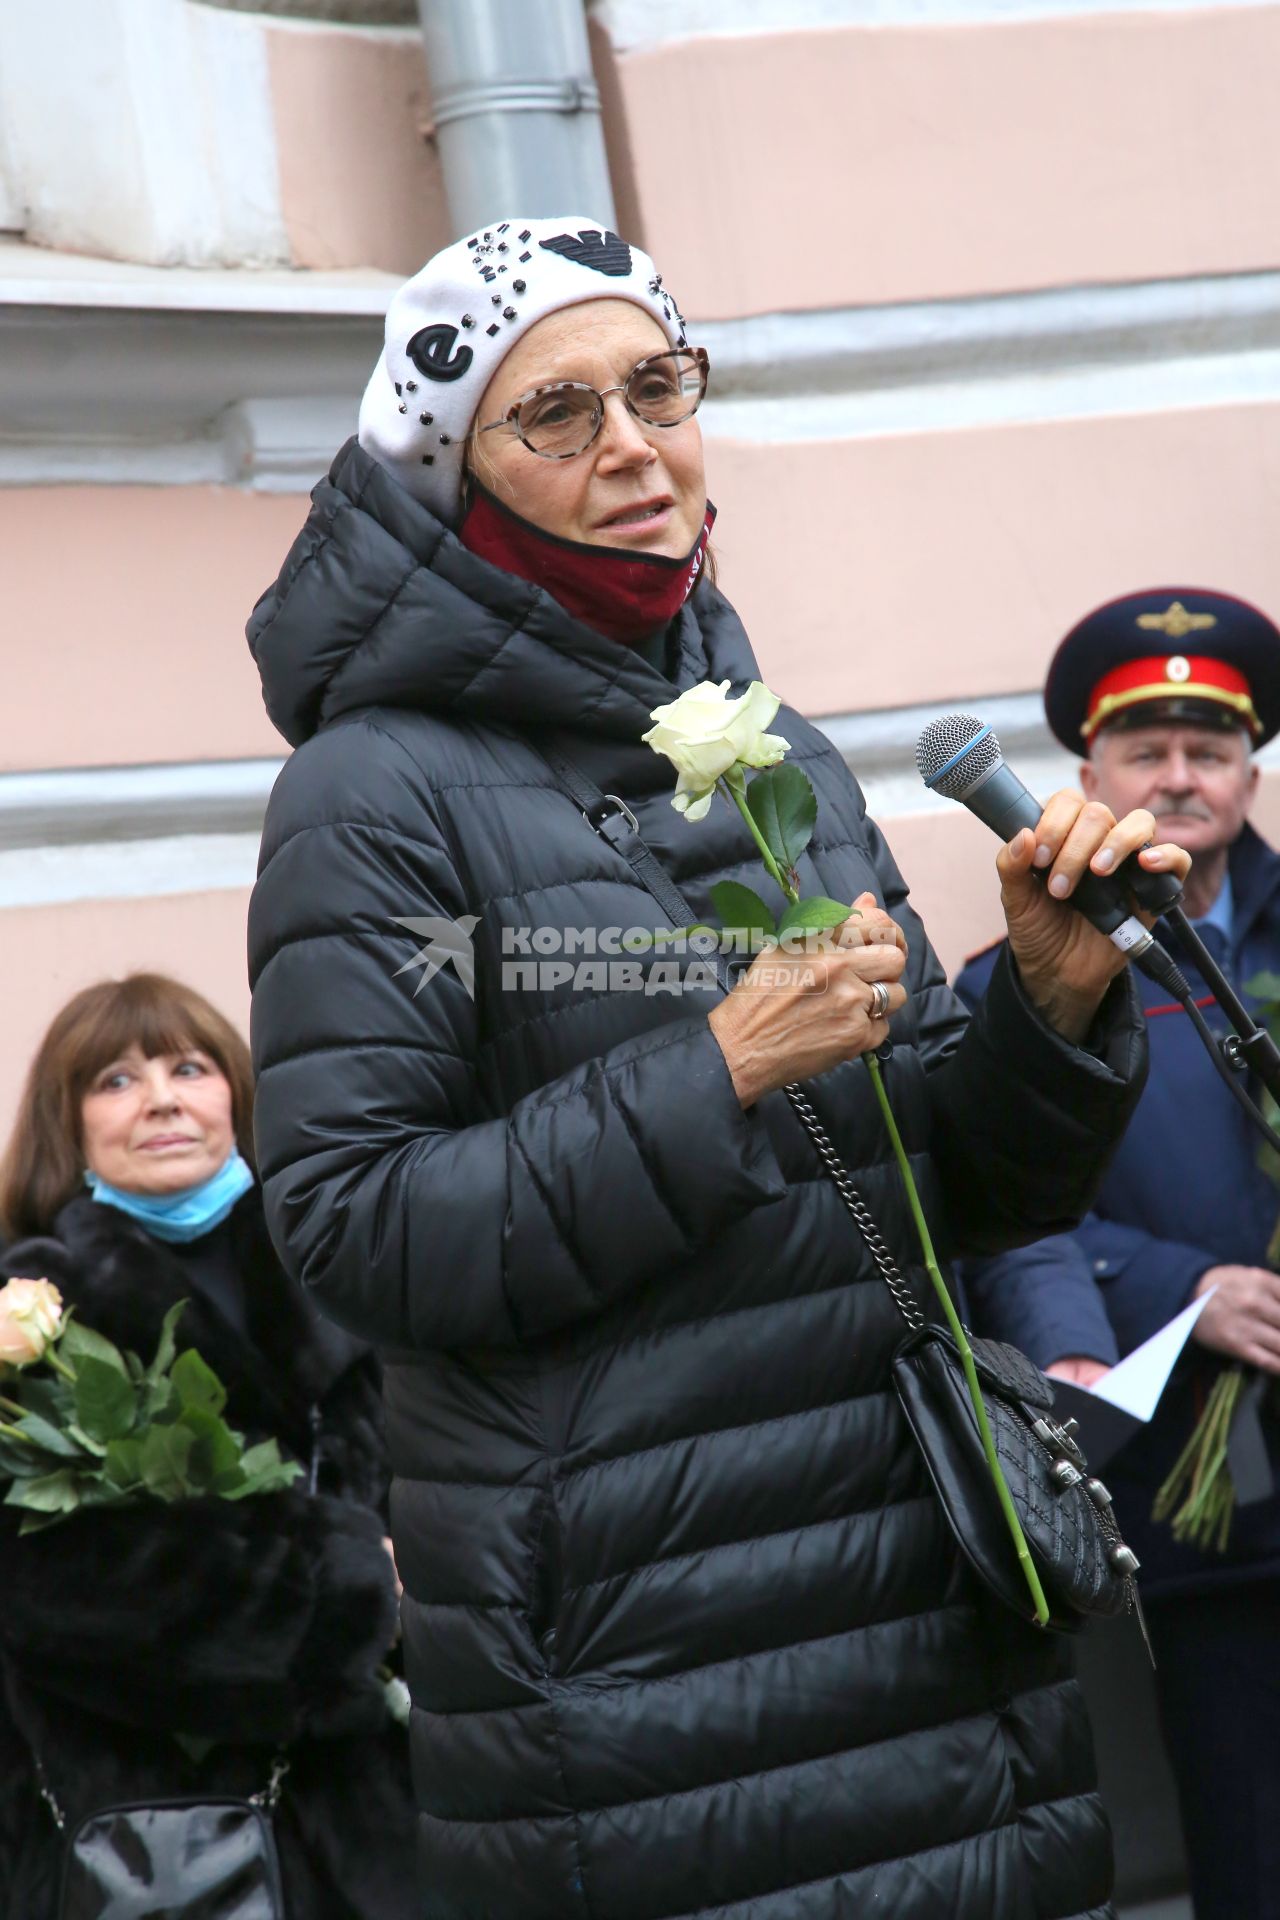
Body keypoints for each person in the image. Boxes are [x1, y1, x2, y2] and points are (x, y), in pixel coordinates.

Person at [245, 217, 1191, 1920]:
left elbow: (925, 1184)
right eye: (557, 412)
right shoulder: (373, 793)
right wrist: (720, 1065)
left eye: (659, 387)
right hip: (642, 1686)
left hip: (921, 1616)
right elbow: (356, 1223)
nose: (632, 443)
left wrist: (1048, 1015)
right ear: (453, 469)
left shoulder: (767, 741)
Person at [956, 589, 1280, 1920]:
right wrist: (1179, 1289)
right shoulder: (1024, 985)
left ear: (1252, 766)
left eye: (1210, 747)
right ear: (1091, 777)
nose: (1182, 776)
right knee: (1251, 1837)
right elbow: (1000, 1209)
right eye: (1148, 751)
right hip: (1199, 1488)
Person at [0, 973, 418, 1919]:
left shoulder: (342, 1275)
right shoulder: (31, 1315)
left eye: (189, 1066)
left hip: (375, 1828)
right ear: (70, 1124)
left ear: (235, 1089)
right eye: (114, 1079)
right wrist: (360, 1591)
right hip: (151, 1841)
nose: (160, 1099)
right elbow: (64, 1586)